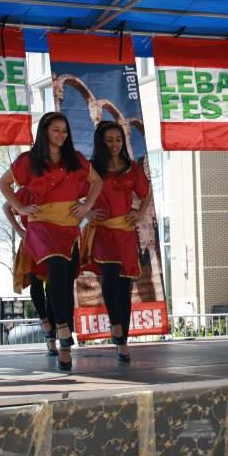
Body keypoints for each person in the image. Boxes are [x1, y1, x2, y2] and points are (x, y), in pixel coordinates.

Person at [0, 112, 102, 371]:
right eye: (56, 130)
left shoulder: (75, 160)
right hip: (41, 228)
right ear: (44, 132)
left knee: (65, 284)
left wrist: (86, 206)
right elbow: (4, 184)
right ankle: (59, 327)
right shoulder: (29, 161)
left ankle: (64, 345)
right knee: (51, 275)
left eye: (64, 130)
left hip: (68, 228)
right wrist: (20, 208)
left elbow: (96, 182)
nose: (61, 135)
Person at [81, 122, 153, 364]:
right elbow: (74, 194)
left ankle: (123, 336)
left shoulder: (132, 169)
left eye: (118, 139)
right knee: (110, 280)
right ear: (101, 142)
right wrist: (87, 213)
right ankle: (117, 331)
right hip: (103, 232)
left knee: (125, 288)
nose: (114, 144)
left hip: (125, 233)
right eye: (109, 140)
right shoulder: (92, 169)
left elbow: (146, 193)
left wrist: (141, 213)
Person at [3, 191, 56, 355]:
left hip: (53, 241)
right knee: (36, 282)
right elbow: (6, 206)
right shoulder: (26, 190)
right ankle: (46, 324)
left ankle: (52, 332)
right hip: (32, 240)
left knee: (53, 288)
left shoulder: (53, 186)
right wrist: (19, 229)